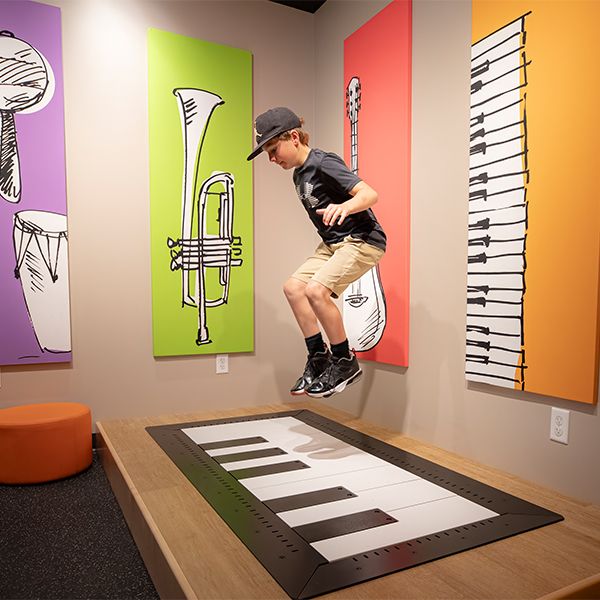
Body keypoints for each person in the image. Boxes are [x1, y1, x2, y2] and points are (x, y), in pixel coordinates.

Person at [247, 107, 386, 398]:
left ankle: (344, 361)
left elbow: (369, 194)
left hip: (361, 240)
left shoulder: (323, 162)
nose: (272, 159)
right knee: (293, 288)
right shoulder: (298, 174)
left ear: (294, 136)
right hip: (333, 244)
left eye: (273, 149)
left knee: (315, 291)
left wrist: (345, 206)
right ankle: (319, 358)